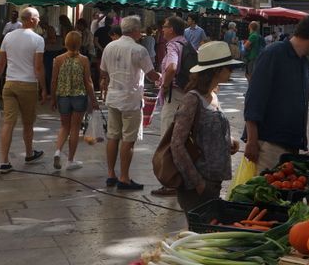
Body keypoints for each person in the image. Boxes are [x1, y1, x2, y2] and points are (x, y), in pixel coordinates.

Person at [243, 16, 309, 173]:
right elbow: (254, 98)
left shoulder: (303, 61)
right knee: (266, 192)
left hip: (291, 144)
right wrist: (252, 140)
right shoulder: (273, 54)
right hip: (269, 144)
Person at [171, 41, 242, 215]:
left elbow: (208, 131)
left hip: (214, 180)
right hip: (199, 184)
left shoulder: (213, 95)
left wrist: (228, 142)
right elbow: (177, 144)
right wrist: (197, 182)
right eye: (229, 68)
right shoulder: (192, 99)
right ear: (216, 71)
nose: (231, 72)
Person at [100, 16, 160, 190]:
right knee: (128, 138)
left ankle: (111, 174)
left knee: (112, 135)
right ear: (135, 30)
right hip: (131, 99)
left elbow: (103, 71)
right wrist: (161, 77)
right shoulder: (139, 50)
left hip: (113, 97)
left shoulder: (109, 46)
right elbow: (151, 74)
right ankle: (124, 177)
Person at [0, 7, 47, 174]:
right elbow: (38, 67)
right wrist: (44, 88)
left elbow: (1, 63)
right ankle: (29, 153)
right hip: (28, 85)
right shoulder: (38, 39)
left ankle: (4, 161)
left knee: (8, 122)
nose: (39, 20)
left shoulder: (8, 36)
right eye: (38, 17)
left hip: (9, 84)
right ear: (31, 19)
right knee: (28, 123)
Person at [153, 15, 190, 196]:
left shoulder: (172, 45)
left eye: (165, 26)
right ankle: (182, 178)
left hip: (173, 96)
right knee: (181, 139)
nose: (162, 29)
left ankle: (170, 183)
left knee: (168, 139)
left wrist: (165, 84)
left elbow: (173, 67)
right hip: (185, 95)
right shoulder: (186, 43)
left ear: (172, 30)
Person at [50, 31, 97, 171]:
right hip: (79, 97)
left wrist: (53, 98)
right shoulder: (84, 60)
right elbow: (88, 82)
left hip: (63, 97)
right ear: (80, 43)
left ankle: (57, 151)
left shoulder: (58, 59)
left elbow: (54, 80)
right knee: (75, 128)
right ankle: (70, 160)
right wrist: (93, 100)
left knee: (64, 127)